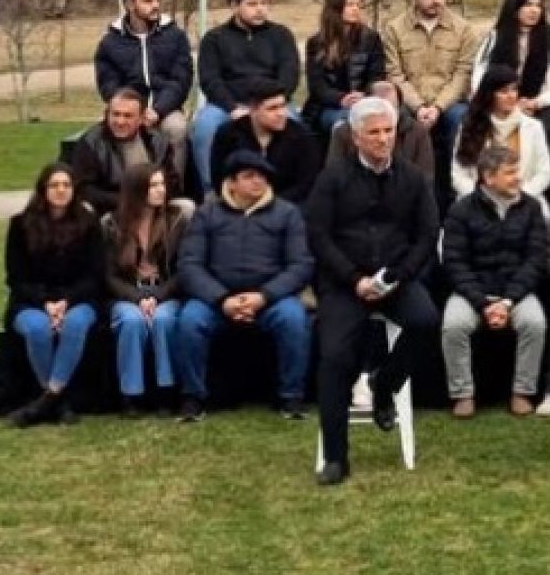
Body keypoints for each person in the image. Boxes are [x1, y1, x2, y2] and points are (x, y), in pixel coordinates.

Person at [303, 98, 439, 486]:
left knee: (427, 321)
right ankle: (336, 457)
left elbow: (427, 234)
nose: (382, 139)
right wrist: (353, 279)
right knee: (334, 357)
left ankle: (385, 384)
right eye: (374, 132)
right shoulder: (333, 178)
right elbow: (318, 236)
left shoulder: (412, 178)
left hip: (396, 278)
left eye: (388, 131)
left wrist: (398, 275)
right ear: (356, 137)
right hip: (344, 282)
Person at [173, 150, 315, 423]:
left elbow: (300, 265)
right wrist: (222, 299)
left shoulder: (288, 213)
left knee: (294, 318)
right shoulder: (207, 214)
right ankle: (193, 397)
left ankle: (292, 396)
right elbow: (189, 265)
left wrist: (264, 296)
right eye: (249, 176)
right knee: (190, 320)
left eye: (262, 176)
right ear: (231, 183)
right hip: (216, 299)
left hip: (270, 298)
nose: (257, 181)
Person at [440, 144, 550, 419]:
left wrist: (508, 300)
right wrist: (483, 303)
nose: (518, 177)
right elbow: (455, 264)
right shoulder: (461, 210)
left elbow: (535, 260)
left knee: (534, 323)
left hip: (516, 292)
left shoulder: (532, 207)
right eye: (509, 172)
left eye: (517, 170)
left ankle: (522, 392)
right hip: (473, 293)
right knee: (453, 325)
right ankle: (462, 394)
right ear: (488, 178)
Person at [3, 164, 105, 427]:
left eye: (66, 185)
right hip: (31, 300)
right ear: (43, 189)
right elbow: (16, 278)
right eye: (54, 185)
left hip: (79, 299)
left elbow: (95, 275)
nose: (61, 190)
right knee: (37, 328)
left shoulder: (89, 224)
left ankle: (45, 401)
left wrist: (66, 302)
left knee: (75, 324)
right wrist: (45, 303)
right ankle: (59, 403)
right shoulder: (20, 225)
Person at [189, 0, 300, 199]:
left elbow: (290, 75)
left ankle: (282, 192)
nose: (260, 9)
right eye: (252, 4)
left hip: (271, 102)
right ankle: (212, 192)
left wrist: (267, 105)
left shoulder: (281, 35)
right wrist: (233, 108)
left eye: (264, 3)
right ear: (234, 6)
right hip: (227, 105)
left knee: (294, 124)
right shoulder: (214, 38)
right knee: (204, 127)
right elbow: (210, 79)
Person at [103, 162, 191, 415]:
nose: (161, 190)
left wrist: (156, 295)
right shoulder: (111, 224)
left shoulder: (177, 220)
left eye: (162, 184)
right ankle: (131, 395)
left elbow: (184, 269)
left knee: (163, 319)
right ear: (136, 189)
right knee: (131, 321)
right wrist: (137, 297)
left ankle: (166, 391)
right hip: (127, 293)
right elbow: (109, 276)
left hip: (166, 291)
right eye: (153, 185)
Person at [470, 0, 550, 154]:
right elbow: (479, 76)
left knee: (549, 127)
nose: (534, 10)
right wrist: (502, 101)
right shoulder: (496, 37)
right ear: (514, 8)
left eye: (538, 6)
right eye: (528, 5)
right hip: (498, 104)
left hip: (541, 105)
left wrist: (537, 102)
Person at [379, 0, 476, 151]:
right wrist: (419, 107)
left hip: (450, 103)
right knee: (397, 119)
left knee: (462, 120)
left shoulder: (463, 29)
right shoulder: (395, 29)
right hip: (409, 103)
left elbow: (462, 75)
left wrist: (438, 107)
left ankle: (455, 170)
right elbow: (394, 75)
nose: (436, 0)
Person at [94, 0, 192, 148]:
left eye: (157, 0)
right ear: (129, 4)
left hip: (166, 110)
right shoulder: (110, 43)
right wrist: (133, 111)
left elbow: (180, 81)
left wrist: (158, 110)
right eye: (148, 1)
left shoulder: (175, 36)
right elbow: (108, 84)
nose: (155, 5)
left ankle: (172, 168)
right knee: (100, 136)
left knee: (177, 128)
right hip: (126, 111)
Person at [66, 87, 186, 215]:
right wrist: (126, 201)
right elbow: (84, 189)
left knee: (186, 207)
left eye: (128, 116)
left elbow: (173, 184)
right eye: (116, 114)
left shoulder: (158, 143)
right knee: (85, 208)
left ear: (141, 118)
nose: (120, 121)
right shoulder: (91, 142)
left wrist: (152, 198)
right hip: (110, 211)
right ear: (107, 115)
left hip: (152, 207)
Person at [210, 82, 324, 207]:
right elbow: (219, 178)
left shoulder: (301, 137)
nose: (281, 113)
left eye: (283, 106)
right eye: (272, 108)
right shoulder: (228, 135)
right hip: (238, 204)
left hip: (286, 207)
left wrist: (267, 204)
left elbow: (306, 184)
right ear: (253, 110)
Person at [450, 67, 550, 202]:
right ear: (490, 95)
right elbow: (458, 175)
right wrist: (485, 198)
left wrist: (518, 197)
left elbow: (545, 173)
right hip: (478, 202)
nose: (511, 96)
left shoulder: (534, 127)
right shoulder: (470, 126)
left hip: (523, 201)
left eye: (514, 89)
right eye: (504, 91)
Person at [301, 0, 388, 134]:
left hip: (365, 102)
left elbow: (377, 75)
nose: (355, 9)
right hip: (329, 107)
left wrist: (363, 95)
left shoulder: (370, 38)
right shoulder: (317, 43)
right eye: (350, 5)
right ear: (335, 8)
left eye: (358, 5)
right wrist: (342, 98)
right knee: (347, 121)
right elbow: (317, 86)